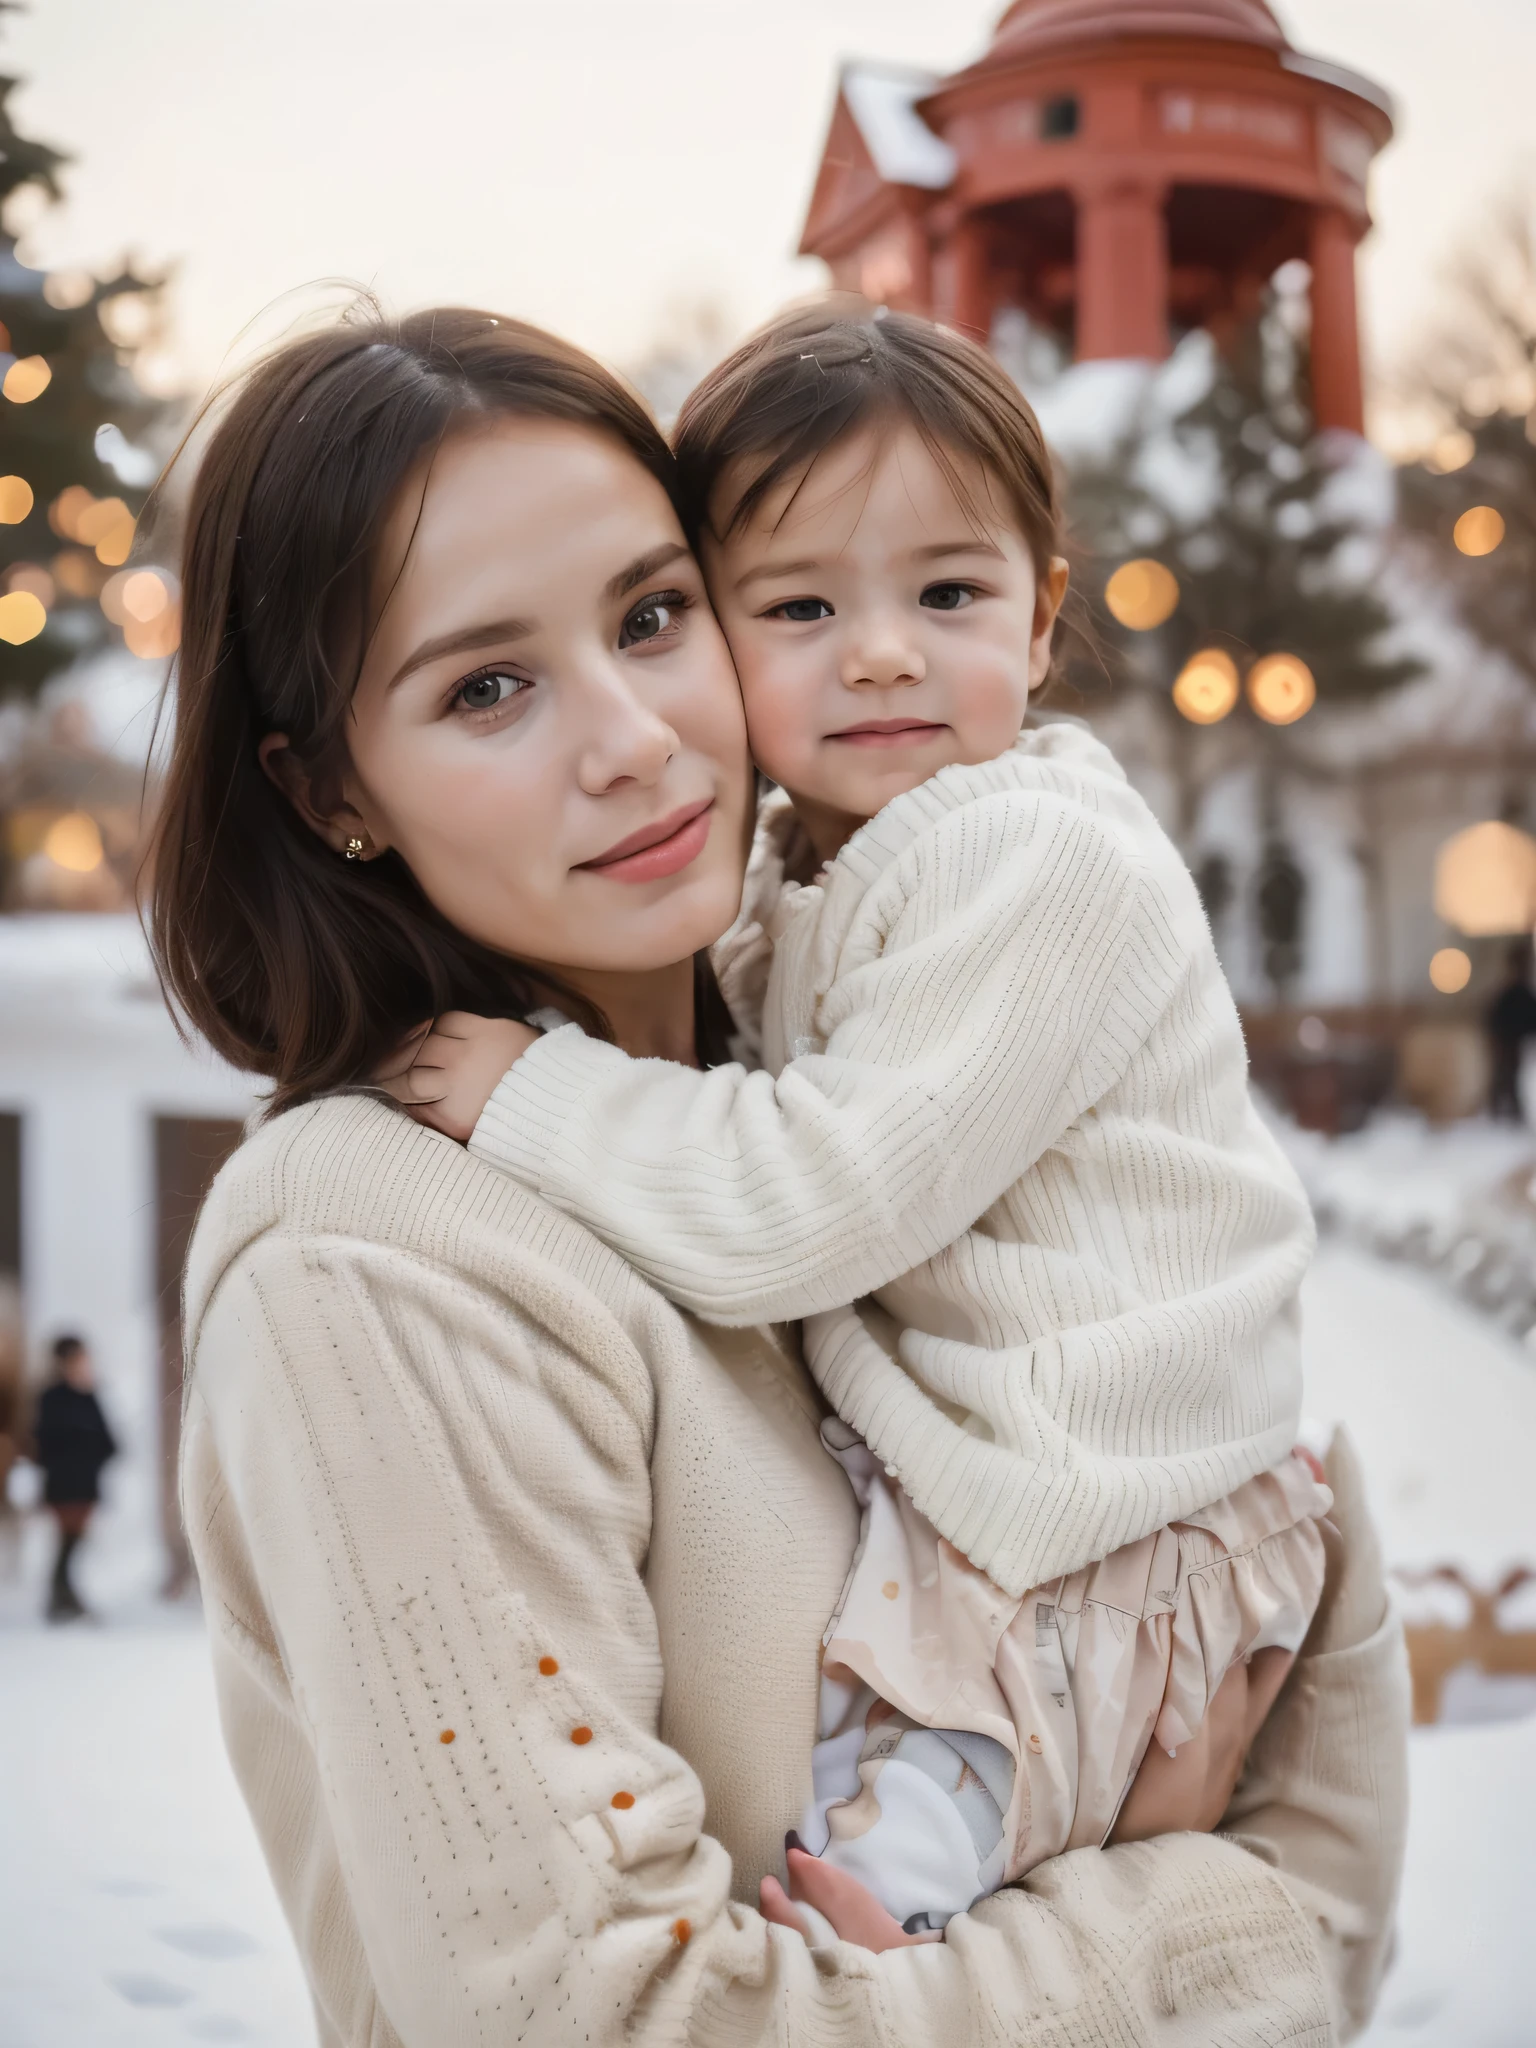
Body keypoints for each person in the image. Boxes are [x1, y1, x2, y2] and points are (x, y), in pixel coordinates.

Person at [150, 304, 1407, 2045]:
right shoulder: (378, 1268)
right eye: (485, 685)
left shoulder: (816, 1085)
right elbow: (598, 2022)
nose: (636, 737)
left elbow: (1308, 1714)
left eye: (653, 616)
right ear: (328, 786)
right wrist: (1203, 1920)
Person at [391, 306, 1328, 1939]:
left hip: (1105, 1524)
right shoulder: (804, 871)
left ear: (1040, 623)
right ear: (710, 630)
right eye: (802, 604)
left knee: (900, 1871)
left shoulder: (1034, 862)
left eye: (947, 594)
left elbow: (807, 1196)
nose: (882, 649)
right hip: (1020, 1505)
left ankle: (893, 1948)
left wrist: (532, 1090)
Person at [32, 1333, 116, 1622]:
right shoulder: (51, 1398)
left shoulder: (88, 1396)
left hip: (85, 1485)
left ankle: (64, 1596)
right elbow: (44, 1444)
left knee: (72, 1544)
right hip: (63, 1486)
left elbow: (109, 1442)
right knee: (67, 1544)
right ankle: (62, 1598)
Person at [1485, 936, 1536, 1122]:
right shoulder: (1510, 993)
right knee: (1505, 1077)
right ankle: (1504, 1112)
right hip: (1508, 1042)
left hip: (1519, 1043)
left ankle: (1513, 1112)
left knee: (1515, 1079)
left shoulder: (1520, 993)